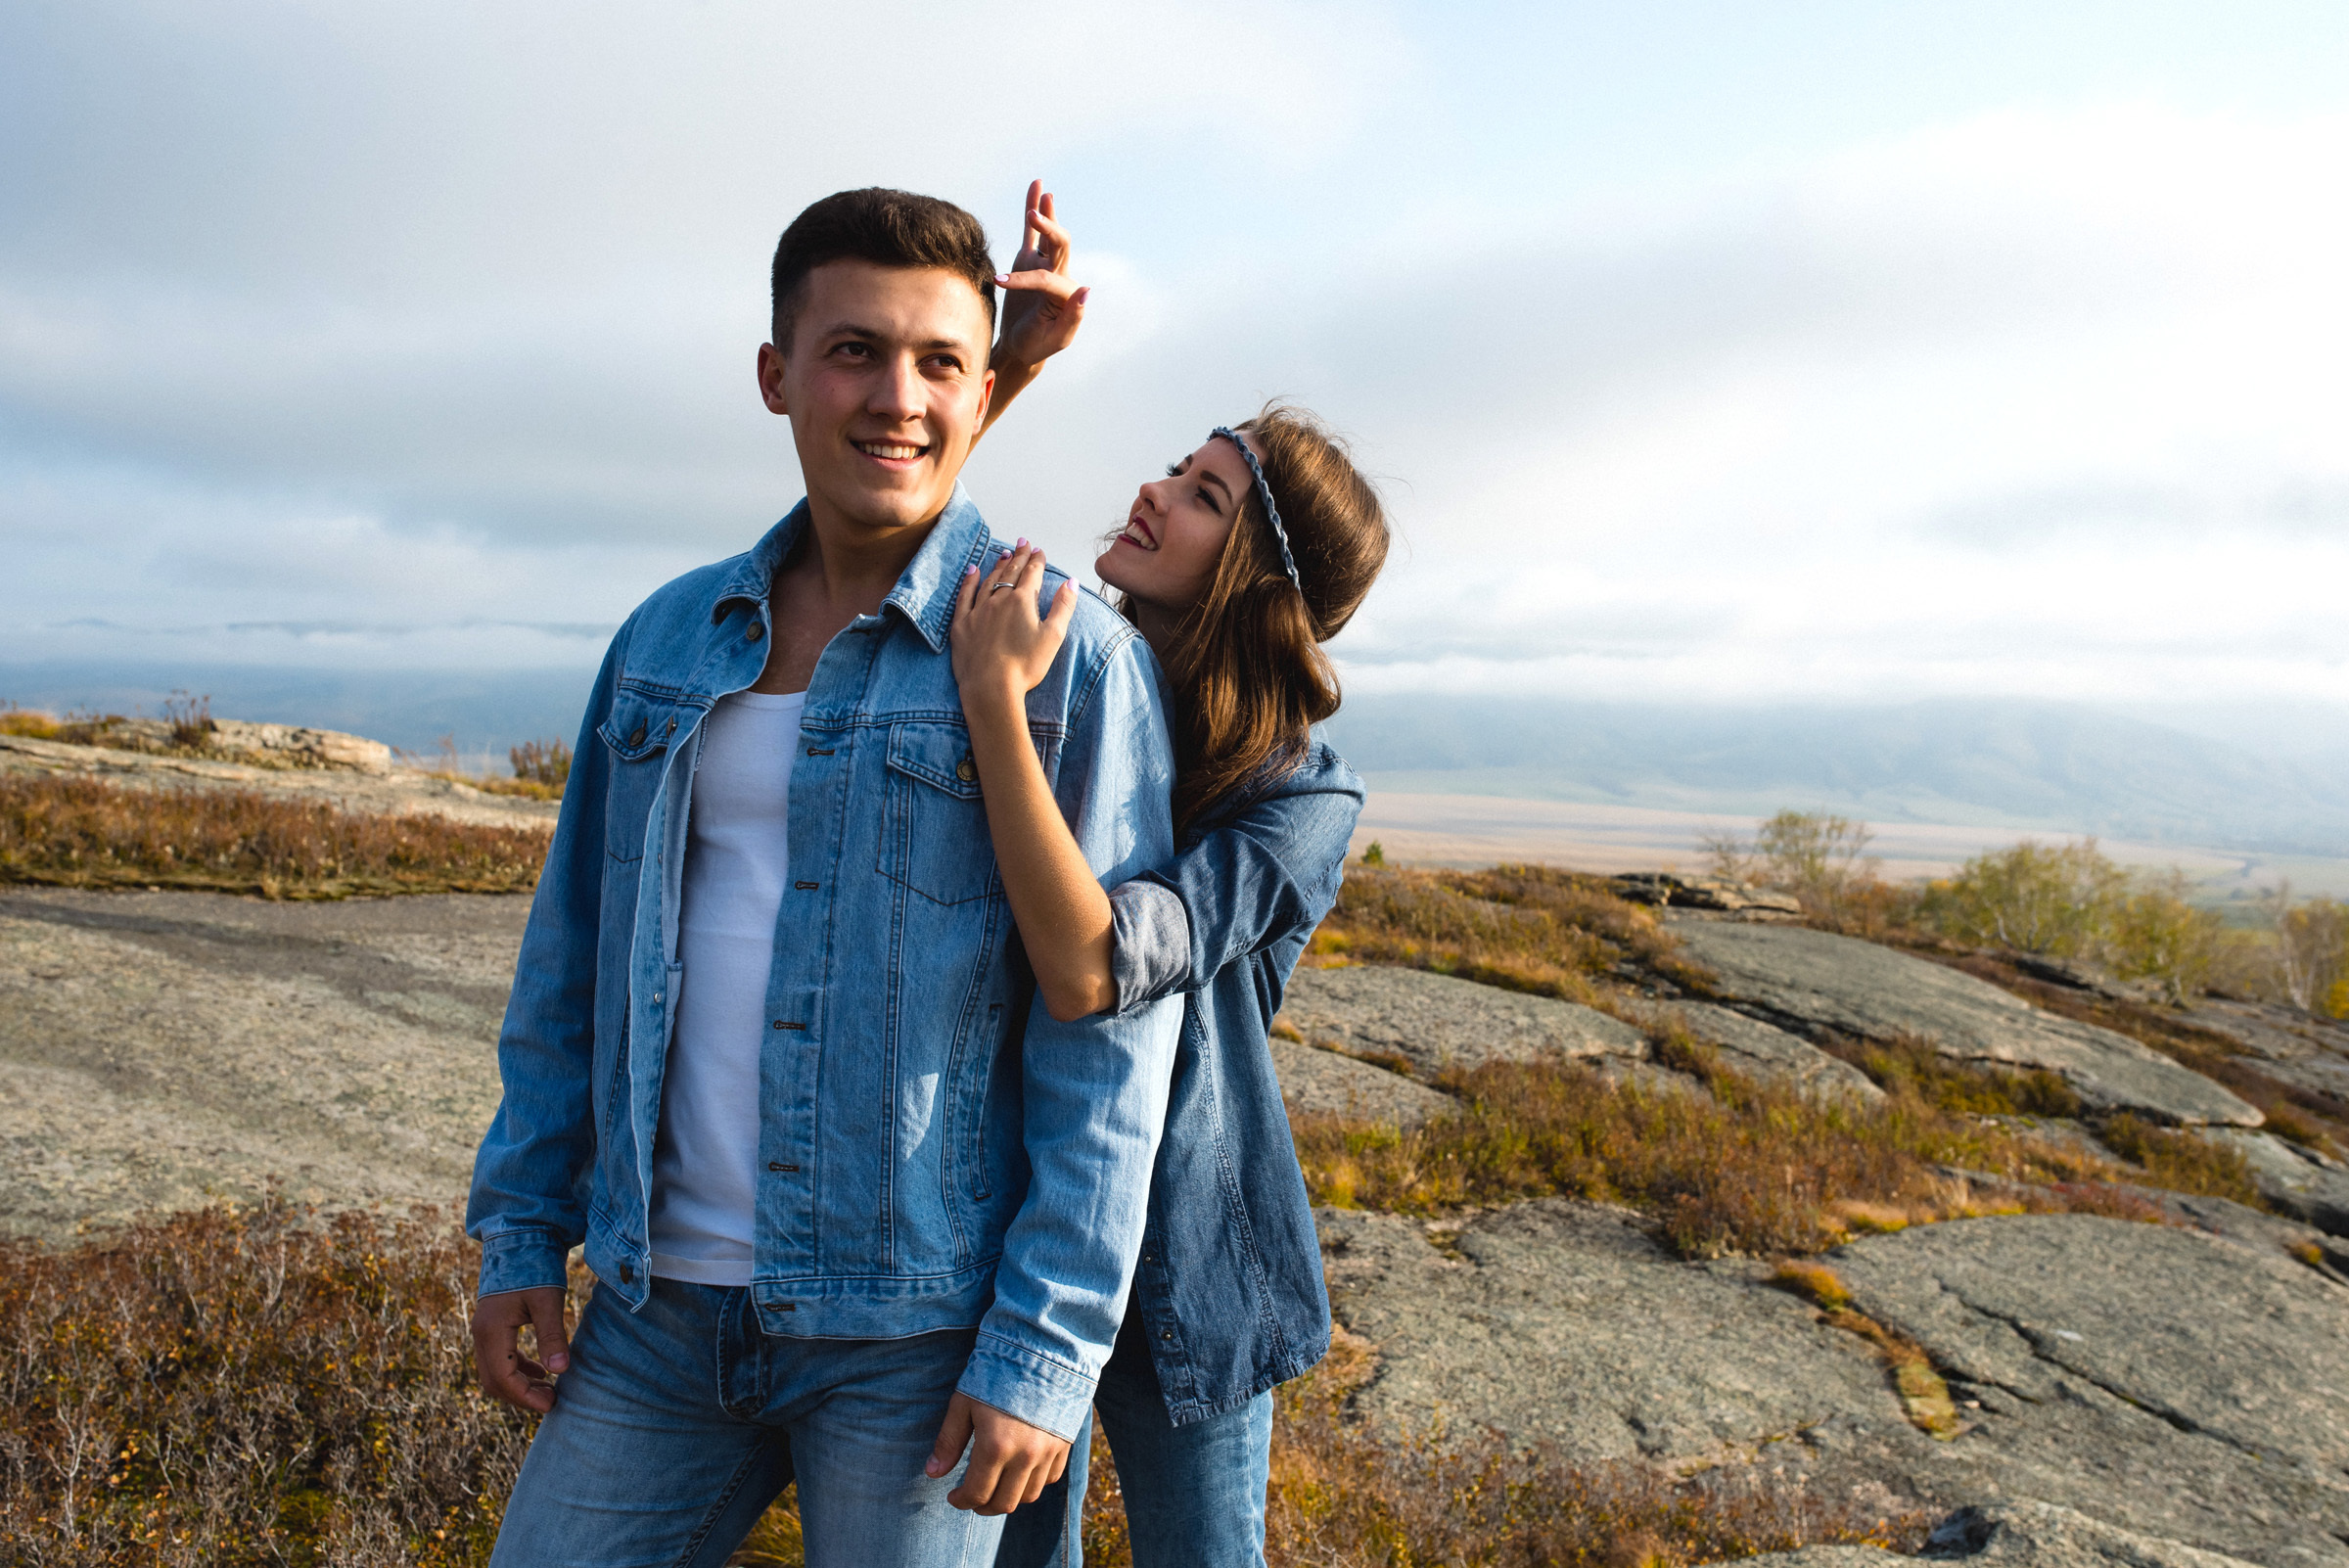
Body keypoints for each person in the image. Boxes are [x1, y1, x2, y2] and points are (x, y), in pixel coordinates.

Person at [463, 185, 1184, 1568]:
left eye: (939, 363)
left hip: (910, 1335)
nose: (895, 398)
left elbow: (1109, 1034)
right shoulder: (669, 636)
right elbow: (574, 956)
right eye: (854, 350)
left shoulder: (1064, 657)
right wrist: (519, 1230)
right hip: (656, 1314)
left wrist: (1044, 1343)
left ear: (985, 393)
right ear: (776, 375)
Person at [946, 306, 1392, 1560]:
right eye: (1176, 468)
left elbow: (1096, 967)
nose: (1151, 491)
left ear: (1257, 573)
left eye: (1200, 494)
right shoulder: (1075, 676)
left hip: (1187, 1261)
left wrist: (994, 710)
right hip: (1013, 1233)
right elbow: (916, 516)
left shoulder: (1299, 800)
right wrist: (1008, 366)